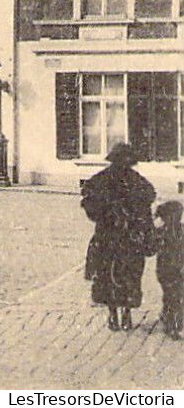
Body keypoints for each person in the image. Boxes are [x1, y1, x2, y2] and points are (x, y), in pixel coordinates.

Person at [81, 142, 156, 331]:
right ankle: (115, 313)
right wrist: (107, 214)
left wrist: (142, 227)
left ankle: (125, 313)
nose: (124, 165)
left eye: (127, 161)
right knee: (111, 275)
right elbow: (89, 203)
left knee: (128, 275)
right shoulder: (102, 180)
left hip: (126, 237)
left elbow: (146, 203)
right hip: (111, 236)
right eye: (121, 161)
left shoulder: (137, 181)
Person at [155, 199, 183, 340]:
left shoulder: (162, 231)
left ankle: (170, 319)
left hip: (173, 269)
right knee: (174, 295)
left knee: (174, 295)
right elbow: (151, 247)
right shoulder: (163, 232)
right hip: (168, 270)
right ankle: (172, 323)